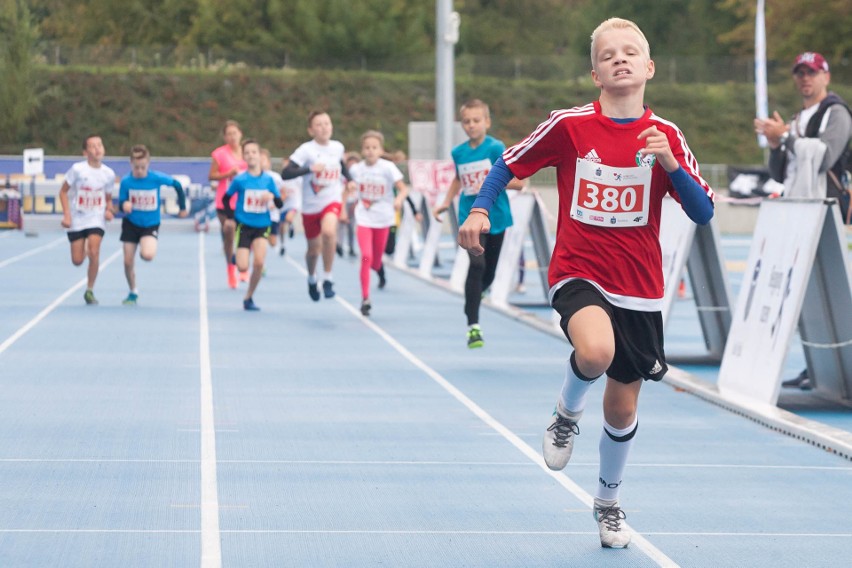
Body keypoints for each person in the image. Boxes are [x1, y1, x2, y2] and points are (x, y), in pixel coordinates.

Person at [457, 18, 715, 548]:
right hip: (579, 270)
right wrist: (480, 210)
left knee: (622, 408)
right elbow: (507, 165)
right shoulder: (569, 126)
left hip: (639, 287)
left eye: (631, 52)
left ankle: (609, 502)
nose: (619, 59)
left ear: (649, 68)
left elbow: (703, 211)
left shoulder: (667, 137)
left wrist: (671, 164)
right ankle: (565, 414)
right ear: (594, 72)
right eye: (607, 54)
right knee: (595, 351)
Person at [754, 51, 852, 391]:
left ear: (826, 76)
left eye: (811, 72)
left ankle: (839, 369)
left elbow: (825, 155)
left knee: (837, 295)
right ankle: (815, 367)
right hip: (799, 214)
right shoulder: (797, 118)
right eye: (800, 73)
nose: (805, 78)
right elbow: (780, 173)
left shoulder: (836, 113)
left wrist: (787, 138)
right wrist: (776, 145)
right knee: (804, 297)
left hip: (827, 218)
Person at [434, 99, 525, 348]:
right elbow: (458, 179)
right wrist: (445, 202)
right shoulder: (458, 152)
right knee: (476, 264)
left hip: (497, 217)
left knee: (489, 272)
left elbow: (518, 181)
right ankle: (473, 325)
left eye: (476, 121)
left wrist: (493, 181)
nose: (471, 126)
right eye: (466, 121)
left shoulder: (496, 148)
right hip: (470, 215)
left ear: (487, 122)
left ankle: (478, 293)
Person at [282, 110, 354, 301]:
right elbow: (286, 173)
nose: (324, 128)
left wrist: (350, 179)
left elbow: (341, 164)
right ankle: (312, 278)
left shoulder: (337, 147)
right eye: (319, 124)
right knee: (313, 251)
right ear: (311, 130)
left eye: (327, 123)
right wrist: (308, 169)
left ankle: (328, 278)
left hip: (332, 199)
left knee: (329, 232)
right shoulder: (306, 150)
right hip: (310, 206)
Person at [117, 145, 188, 305]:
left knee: (147, 256)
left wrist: (182, 207)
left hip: (150, 224)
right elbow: (121, 202)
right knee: (128, 262)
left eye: (143, 167)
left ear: (148, 164)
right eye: (136, 167)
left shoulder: (155, 178)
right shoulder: (126, 181)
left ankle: (145, 248)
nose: (140, 170)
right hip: (131, 224)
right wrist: (124, 205)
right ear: (131, 164)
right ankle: (133, 290)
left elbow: (177, 185)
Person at [348, 130, 409, 316]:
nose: (370, 151)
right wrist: (349, 190)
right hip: (364, 218)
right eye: (367, 148)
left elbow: (403, 188)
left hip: (384, 218)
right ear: (362, 150)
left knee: (375, 262)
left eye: (374, 147)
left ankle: (378, 269)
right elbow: (348, 186)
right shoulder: (356, 169)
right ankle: (366, 298)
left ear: (381, 150)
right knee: (365, 257)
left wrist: (399, 200)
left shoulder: (388, 167)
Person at [222, 139, 283, 311]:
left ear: (259, 155)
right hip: (244, 226)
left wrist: (271, 197)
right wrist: (231, 218)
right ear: (243, 157)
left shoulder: (269, 180)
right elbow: (226, 198)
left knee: (258, 263)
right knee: (242, 266)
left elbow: (279, 204)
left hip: (262, 225)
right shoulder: (240, 180)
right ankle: (237, 256)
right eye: (247, 153)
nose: (250, 155)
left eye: (253, 152)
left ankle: (249, 296)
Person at [58, 135, 117, 305]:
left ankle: (90, 290)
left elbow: (108, 198)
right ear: (85, 152)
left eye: (100, 145)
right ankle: (84, 244)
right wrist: (67, 214)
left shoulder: (108, 174)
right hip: (77, 218)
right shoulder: (77, 169)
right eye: (93, 146)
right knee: (77, 260)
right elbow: (63, 192)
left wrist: (108, 210)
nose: (97, 149)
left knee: (94, 251)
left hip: (96, 218)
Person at [209, 119, 248, 289]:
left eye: (235, 133)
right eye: (229, 134)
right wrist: (227, 174)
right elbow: (212, 176)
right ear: (225, 137)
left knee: (246, 234)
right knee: (229, 232)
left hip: (244, 202)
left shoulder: (248, 152)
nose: (232, 137)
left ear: (240, 134)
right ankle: (230, 269)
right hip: (224, 202)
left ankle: (243, 266)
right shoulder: (219, 154)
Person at [275, 157, 303, 257]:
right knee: (281, 227)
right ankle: (283, 245)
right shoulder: (281, 179)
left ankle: (291, 226)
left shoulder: (297, 179)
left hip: (294, 204)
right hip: (284, 205)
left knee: (288, 218)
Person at [337, 152, 362, 258]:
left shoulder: (359, 176)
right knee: (341, 224)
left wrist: (357, 202)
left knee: (352, 227)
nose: (352, 166)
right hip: (343, 201)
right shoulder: (343, 176)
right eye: (350, 164)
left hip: (354, 202)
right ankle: (339, 245)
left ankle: (351, 248)